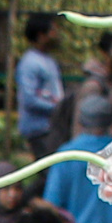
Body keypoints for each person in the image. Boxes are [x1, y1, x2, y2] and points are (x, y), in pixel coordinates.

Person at [13, 15, 68, 153]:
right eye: (53, 31)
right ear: (41, 35)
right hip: (40, 129)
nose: (56, 35)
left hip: (52, 127)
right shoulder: (30, 63)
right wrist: (58, 108)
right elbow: (29, 99)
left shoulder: (48, 60)